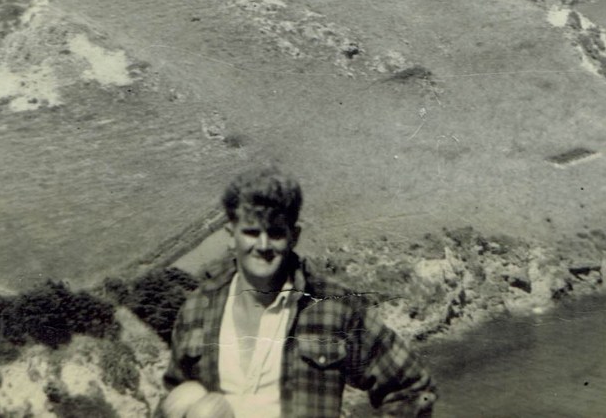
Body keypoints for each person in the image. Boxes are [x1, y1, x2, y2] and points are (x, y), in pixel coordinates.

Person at [162, 167, 436, 418]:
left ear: (294, 236)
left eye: (275, 233)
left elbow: (413, 389)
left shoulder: (335, 308)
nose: (263, 245)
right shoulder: (198, 308)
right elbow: (172, 401)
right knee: (188, 397)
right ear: (231, 234)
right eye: (251, 232)